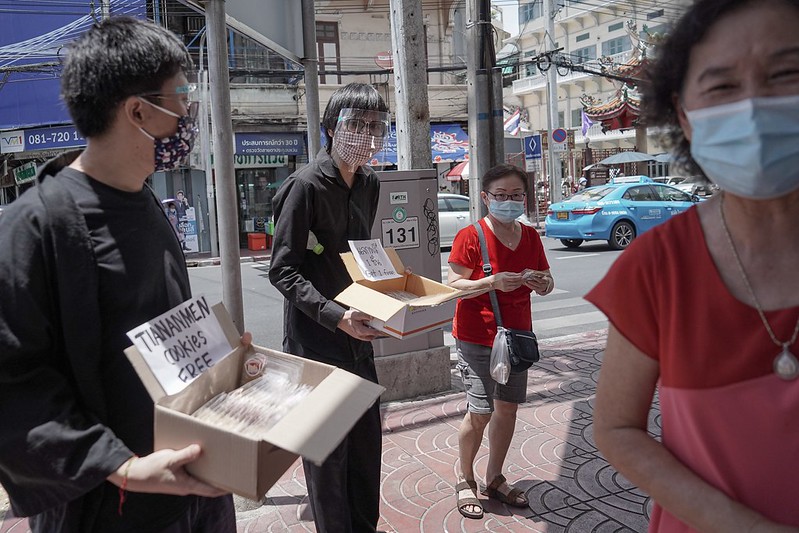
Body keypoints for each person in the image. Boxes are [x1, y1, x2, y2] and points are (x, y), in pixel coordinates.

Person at [0, 17, 238, 533]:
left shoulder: (146, 200)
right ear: (138, 111)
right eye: (182, 96)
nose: (190, 113)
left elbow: (170, 330)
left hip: (200, 490)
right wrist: (121, 467)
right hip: (114, 509)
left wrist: (231, 363)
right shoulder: (34, 227)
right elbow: (13, 383)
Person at [587, 1, 799, 531]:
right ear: (684, 115)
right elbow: (616, 428)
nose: (754, 106)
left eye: (785, 74)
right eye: (722, 86)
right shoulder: (656, 266)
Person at [268, 83, 390, 532]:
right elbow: (283, 271)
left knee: (365, 452)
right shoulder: (304, 186)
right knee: (327, 462)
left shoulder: (370, 183)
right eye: (356, 124)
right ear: (331, 129)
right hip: (316, 343)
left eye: (376, 126)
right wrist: (338, 318)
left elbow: (360, 256)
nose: (367, 135)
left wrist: (388, 297)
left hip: (359, 342)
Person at [446, 164, 554, 519]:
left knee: (507, 408)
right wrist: (491, 282)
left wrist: (542, 283)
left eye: (516, 195)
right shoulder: (471, 236)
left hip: (517, 338)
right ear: (485, 197)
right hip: (477, 336)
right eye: (501, 195)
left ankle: (494, 477)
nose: (509, 201)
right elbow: (453, 286)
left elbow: (547, 280)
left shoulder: (531, 236)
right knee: (480, 410)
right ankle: (465, 479)